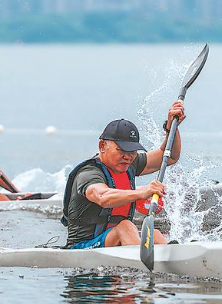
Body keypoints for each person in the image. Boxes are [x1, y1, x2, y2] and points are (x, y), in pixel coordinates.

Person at [61, 101, 185, 249]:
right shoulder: (88, 173)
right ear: (102, 146)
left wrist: (171, 128)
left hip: (113, 243)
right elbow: (103, 197)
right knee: (125, 226)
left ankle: (174, 255)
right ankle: (141, 262)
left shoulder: (129, 164)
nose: (128, 156)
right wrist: (141, 193)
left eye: (132, 151)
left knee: (155, 234)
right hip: (82, 246)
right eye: (121, 150)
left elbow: (170, 156)